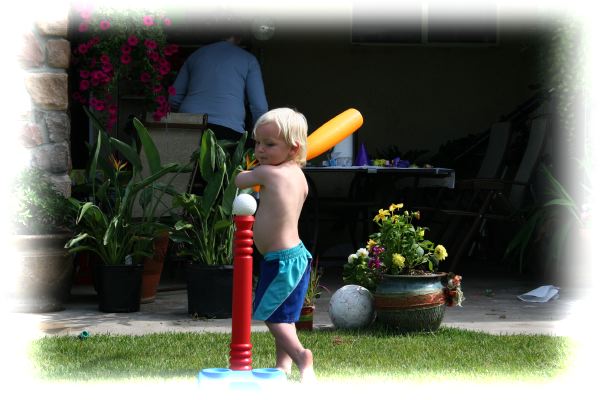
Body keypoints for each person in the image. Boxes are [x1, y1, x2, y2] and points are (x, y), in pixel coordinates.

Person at [235, 108, 316, 383]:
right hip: (294, 258)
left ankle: (301, 356)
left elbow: (240, 180)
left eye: (269, 144)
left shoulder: (268, 173)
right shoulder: (299, 177)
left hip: (283, 261)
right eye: (258, 142)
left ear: (293, 148)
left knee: (272, 316)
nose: (260, 149)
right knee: (285, 316)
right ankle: (283, 366)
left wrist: (248, 170)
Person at [168, 33, 268, 147]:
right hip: (228, 128)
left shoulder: (196, 55)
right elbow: (259, 107)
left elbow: (173, 97)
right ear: (239, 36)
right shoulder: (248, 59)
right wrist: (257, 138)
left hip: (189, 124)